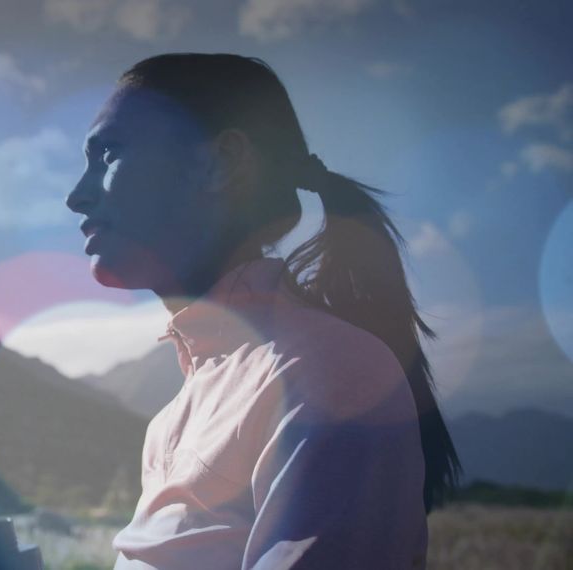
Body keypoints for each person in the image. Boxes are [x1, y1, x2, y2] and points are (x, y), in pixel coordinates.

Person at [64, 53, 460, 569]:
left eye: (109, 154)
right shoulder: (176, 415)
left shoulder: (325, 373)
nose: (77, 197)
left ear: (223, 163)